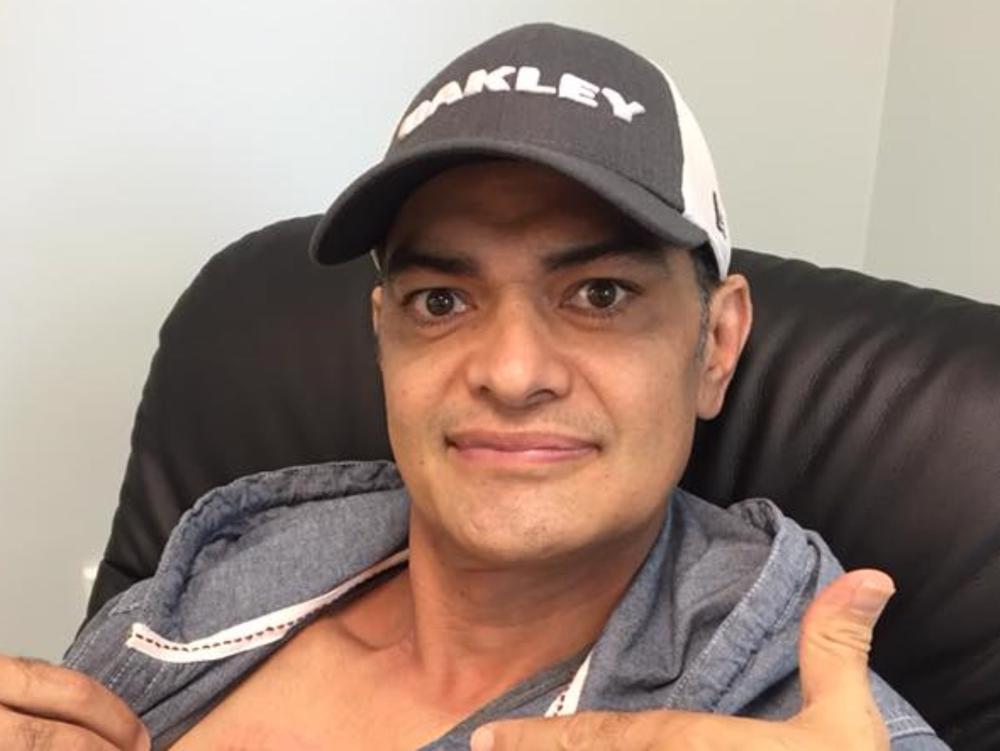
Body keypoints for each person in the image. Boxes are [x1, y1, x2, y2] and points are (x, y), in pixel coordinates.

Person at [0, 23, 949, 750]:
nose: (511, 372)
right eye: (442, 300)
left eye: (600, 293)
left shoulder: (794, 718)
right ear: (383, 338)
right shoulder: (218, 575)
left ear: (717, 345)